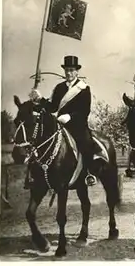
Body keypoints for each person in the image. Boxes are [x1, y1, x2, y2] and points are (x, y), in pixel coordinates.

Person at [28, 55, 97, 188]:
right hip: (60, 125)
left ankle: (89, 173)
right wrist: (38, 99)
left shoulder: (84, 88)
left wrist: (70, 116)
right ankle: (34, 176)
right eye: (67, 70)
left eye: (71, 70)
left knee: (87, 143)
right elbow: (51, 107)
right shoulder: (59, 88)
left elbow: (85, 111)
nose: (69, 73)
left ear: (77, 72)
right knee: (38, 141)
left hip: (77, 125)